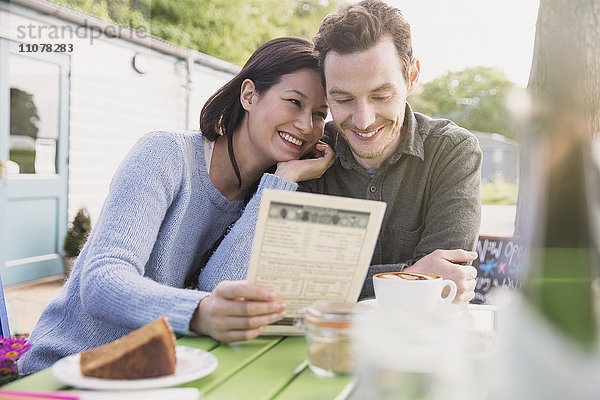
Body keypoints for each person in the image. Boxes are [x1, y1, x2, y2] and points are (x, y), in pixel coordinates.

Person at [19, 37, 333, 374]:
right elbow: (101, 281)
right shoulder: (164, 155)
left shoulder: (271, 193)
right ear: (249, 95)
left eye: (319, 114)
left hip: (157, 379)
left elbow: (220, 293)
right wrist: (198, 312)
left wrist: (283, 179)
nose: (306, 125)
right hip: (67, 370)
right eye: (293, 102)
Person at [200, 0, 481, 305]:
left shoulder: (453, 151)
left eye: (381, 95)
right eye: (343, 99)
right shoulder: (304, 153)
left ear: (411, 77)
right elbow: (278, 284)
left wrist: (338, 283)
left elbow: (444, 281)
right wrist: (407, 275)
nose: (363, 120)